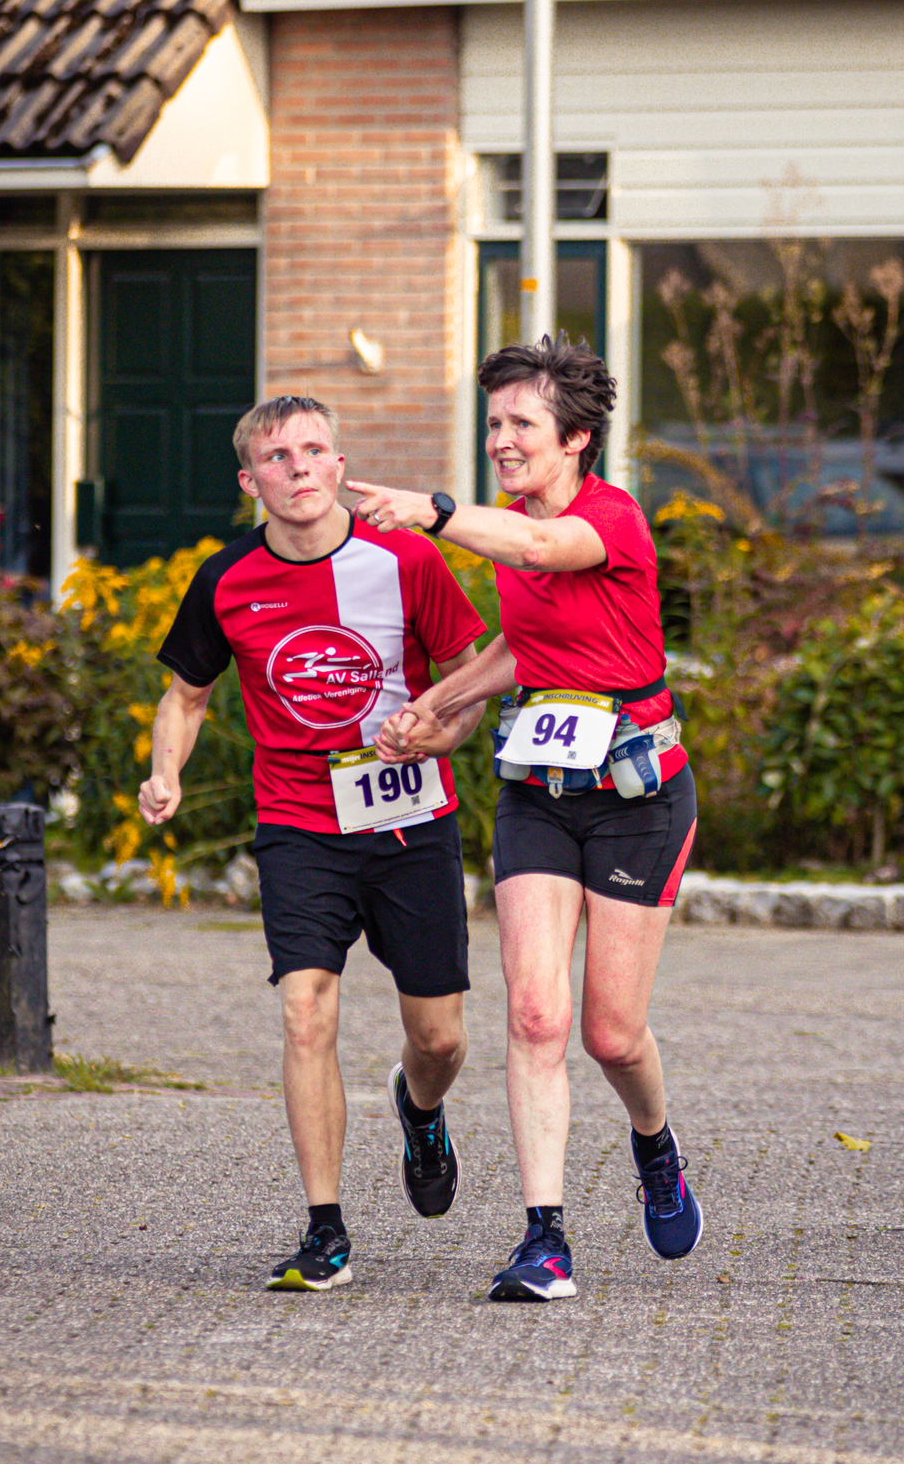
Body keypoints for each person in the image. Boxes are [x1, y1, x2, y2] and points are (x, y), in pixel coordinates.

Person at [352, 335, 702, 1303]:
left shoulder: (609, 520)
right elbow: (525, 636)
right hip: (538, 792)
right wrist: (445, 705)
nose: (500, 440)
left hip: (636, 799)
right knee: (537, 1013)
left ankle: (654, 1146)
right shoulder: (508, 524)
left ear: (575, 439)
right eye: (494, 422)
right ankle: (543, 1238)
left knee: (610, 1034)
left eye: (520, 425)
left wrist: (428, 512)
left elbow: (549, 552)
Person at [138, 395, 486, 1291]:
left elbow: (470, 680)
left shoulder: (407, 559)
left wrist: (441, 734)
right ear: (249, 481)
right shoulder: (225, 580)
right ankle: (325, 1229)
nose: (297, 468)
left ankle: (418, 1110)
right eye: (276, 456)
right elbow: (186, 695)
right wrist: (166, 771)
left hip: (409, 817)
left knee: (440, 1038)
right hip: (299, 820)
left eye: (313, 450)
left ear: (338, 465)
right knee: (306, 1012)